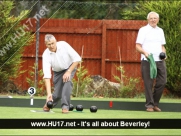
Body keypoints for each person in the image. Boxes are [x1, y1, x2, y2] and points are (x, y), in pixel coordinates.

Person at [136, 11, 167, 112]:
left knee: (162, 81)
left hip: (160, 60)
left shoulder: (160, 31)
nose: (153, 20)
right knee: (148, 83)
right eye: (151, 18)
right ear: (148, 20)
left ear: (158, 20)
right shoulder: (143, 30)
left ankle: (155, 104)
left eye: (155, 18)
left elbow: (162, 46)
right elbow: (137, 46)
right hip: (148, 60)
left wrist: (164, 54)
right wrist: (145, 53)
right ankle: (149, 105)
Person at [42, 34, 81, 113]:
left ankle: (65, 107)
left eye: (53, 43)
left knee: (67, 81)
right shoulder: (45, 55)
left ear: (56, 41)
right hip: (57, 72)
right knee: (57, 94)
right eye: (49, 44)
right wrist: (49, 93)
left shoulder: (64, 45)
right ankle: (50, 104)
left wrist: (69, 71)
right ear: (46, 44)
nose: (51, 46)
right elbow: (47, 76)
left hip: (70, 67)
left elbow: (77, 58)